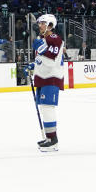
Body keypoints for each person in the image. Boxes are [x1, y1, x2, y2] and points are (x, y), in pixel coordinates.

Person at [31, 13, 65, 152]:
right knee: (45, 108)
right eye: (39, 23)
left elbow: (51, 60)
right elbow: (43, 60)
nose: (40, 25)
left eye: (43, 23)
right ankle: (49, 137)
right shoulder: (43, 39)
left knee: (47, 107)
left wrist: (41, 50)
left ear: (50, 25)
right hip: (43, 77)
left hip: (51, 78)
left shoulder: (54, 38)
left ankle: (53, 140)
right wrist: (34, 65)